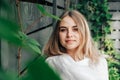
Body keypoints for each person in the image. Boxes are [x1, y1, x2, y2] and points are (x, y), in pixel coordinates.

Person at [43, 10, 109, 80]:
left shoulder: (99, 62)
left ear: (84, 32)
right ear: (57, 34)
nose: (69, 35)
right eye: (63, 30)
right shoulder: (52, 63)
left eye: (75, 29)